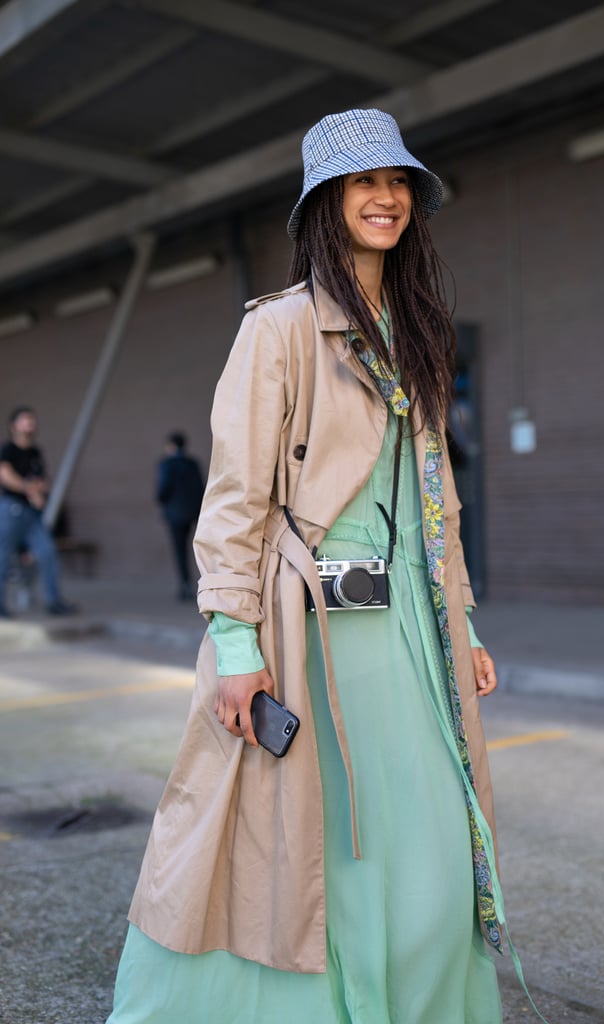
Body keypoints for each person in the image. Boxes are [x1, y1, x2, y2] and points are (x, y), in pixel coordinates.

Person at [107, 108, 506, 1024]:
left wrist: (466, 623)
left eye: (398, 182)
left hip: (411, 620)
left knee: (432, 837)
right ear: (326, 203)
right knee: (313, 848)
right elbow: (236, 498)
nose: (386, 198)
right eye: (364, 182)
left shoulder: (418, 331)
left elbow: (435, 503)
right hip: (308, 630)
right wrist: (234, 642)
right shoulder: (278, 329)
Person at [0, 406, 76, 617]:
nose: (30, 424)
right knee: (2, 557)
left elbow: (43, 481)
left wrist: (39, 491)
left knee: (48, 553)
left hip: (32, 514)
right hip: (10, 510)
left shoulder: (35, 451)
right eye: (25, 420)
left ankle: (54, 601)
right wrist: (28, 488)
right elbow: (5, 475)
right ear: (13, 425)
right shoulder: (8, 449)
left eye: (32, 420)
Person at [155, 432, 205, 600]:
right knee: (199, 549)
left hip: (175, 514)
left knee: (180, 550)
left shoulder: (166, 464)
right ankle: (203, 584)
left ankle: (185, 585)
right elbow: (201, 487)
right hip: (194, 511)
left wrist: (162, 501)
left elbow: (163, 489)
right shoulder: (193, 463)